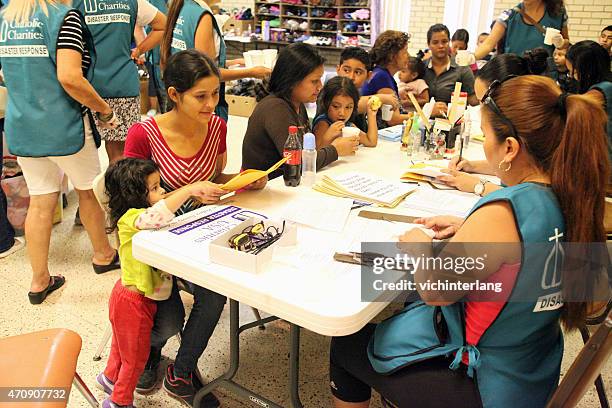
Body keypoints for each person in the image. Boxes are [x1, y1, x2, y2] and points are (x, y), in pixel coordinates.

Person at [329, 75, 609, 408]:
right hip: (533, 370)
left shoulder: (504, 212)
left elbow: (436, 292)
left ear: (509, 148)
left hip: (487, 386)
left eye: (487, 135)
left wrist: (420, 247)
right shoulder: (572, 195)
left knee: (345, 345)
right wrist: (472, 230)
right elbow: (541, 258)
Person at [124, 49, 266, 404]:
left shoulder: (217, 126)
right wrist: (185, 193)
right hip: (154, 242)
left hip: (199, 235)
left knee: (216, 290)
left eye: (215, 93)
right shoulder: (145, 134)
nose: (211, 103)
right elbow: (128, 201)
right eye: (201, 96)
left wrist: (244, 180)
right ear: (174, 94)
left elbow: (215, 178)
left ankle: (182, 370)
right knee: (168, 314)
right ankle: (149, 354)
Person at [0, 0, 121, 304]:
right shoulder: (62, 18)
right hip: (65, 125)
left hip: (25, 124)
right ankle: (103, 254)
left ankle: (39, 280)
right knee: (88, 192)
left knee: (41, 202)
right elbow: (70, 77)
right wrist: (104, 110)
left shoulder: (7, 19)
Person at [96, 158, 220, 408]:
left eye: (159, 185)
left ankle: (109, 377)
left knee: (123, 345)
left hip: (140, 297)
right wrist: (187, 190)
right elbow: (155, 216)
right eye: (154, 189)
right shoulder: (131, 219)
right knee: (134, 356)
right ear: (134, 196)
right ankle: (119, 401)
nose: (162, 191)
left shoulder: (141, 215)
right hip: (133, 300)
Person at [242, 43, 359, 179]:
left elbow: (306, 151)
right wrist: (335, 150)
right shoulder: (276, 108)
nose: (320, 86)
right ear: (292, 80)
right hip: (262, 191)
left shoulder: (297, 103)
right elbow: (300, 162)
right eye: (314, 81)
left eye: (320, 80)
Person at [439, 53, 548, 192]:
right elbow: (511, 165)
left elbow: (527, 198)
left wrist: (479, 186)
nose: (481, 109)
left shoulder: (534, 134)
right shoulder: (522, 126)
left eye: (483, 102)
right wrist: (472, 166)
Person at [75, 0, 167, 164]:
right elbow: (162, 24)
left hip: (83, 85)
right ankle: (117, 188)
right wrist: (139, 50)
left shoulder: (73, 3)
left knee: (80, 154)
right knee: (120, 156)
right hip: (121, 83)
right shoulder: (132, 2)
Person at [162, 0, 271, 122]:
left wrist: (232, 62)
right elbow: (208, 73)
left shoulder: (184, 7)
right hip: (199, 106)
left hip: (185, 103)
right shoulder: (202, 17)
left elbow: (193, 60)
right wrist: (251, 72)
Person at [566, 40, 612, 165]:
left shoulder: (605, 88)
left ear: (588, 70)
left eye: (574, 72)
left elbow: (576, 103)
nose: (571, 76)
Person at [475, 0, 569, 60]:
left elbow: (566, 44)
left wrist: (561, 43)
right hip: (514, 74)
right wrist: (471, 57)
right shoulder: (509, 15)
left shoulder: (557, 14)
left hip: (544, 77)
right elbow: (488, 44)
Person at [336, 47, 399, 132]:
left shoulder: (358, 93)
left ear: (368, 76)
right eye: (346, 70)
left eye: (358, 72)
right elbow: (353, 105)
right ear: (338, 69)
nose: (351, 77)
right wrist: (382, 98)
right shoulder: (332, 90)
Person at [422, 24, 477, 117]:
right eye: (435, 42)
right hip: (422, 122)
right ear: (428, 44)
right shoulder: (421, 68)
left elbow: (473, 100)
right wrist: (428, 110)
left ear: (449, 42)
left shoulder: (462, 69)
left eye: (444, 41)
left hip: (452, 124)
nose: (440, 46)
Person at [360, 30, 413, 126]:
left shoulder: (380, 73)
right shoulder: (382, 77)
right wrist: (422, 116)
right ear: (392, 56)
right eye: (405, 52)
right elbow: (393, 119)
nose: (408, 56)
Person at [313, 76, 379, 149]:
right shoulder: (323, 124)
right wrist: (328, 137)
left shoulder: (348, 126)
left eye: (348, 107)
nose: (342, 113)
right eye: (336, 106)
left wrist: (371, 115)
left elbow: (371, 142)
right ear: (326, 103)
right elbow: (316, 153)